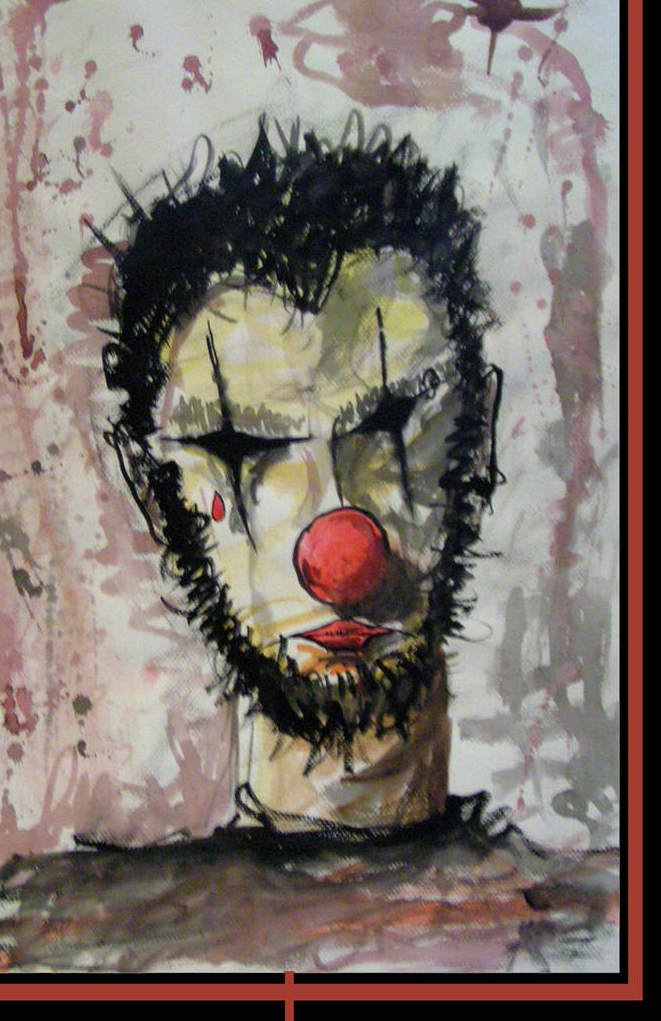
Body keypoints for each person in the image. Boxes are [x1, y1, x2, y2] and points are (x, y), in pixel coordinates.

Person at [99, 117, 502, 832]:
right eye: (237, 446)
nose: (339, 557)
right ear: (156, 497)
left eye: (391, 424)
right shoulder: (60, 905)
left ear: (477, 446)